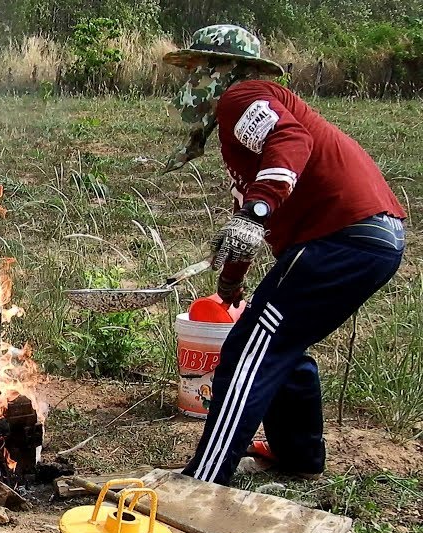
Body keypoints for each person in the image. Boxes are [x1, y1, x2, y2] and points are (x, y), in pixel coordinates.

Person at [162, 25, 406, 485]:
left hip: (342, 236)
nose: (188, 82)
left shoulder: (244, 96)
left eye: (195, 69)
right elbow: (249, 210)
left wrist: (257, 210)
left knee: (248, 349)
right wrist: (232, 278)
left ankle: (205, 478)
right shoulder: (242, 127)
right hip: (372, 238)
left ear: (221, 69)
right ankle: (298, 456)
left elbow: (290, 141)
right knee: (281, 341)